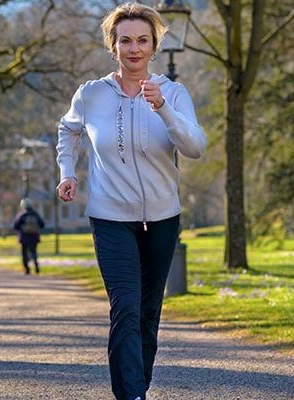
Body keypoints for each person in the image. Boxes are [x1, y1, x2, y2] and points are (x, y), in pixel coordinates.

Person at [55, 3, 206, 400]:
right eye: (126, 40)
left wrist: (164, 109)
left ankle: (137, 385)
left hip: (162, 217)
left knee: (147, 312)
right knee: (125, 307)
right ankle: (132, 396)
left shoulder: (173, 92)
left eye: (142, 40)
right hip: (110, 217)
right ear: (113, 45)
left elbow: (195, 148)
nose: (134, 48)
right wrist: (67, 172)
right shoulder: (90, 95)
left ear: (154, 46)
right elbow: (66, 130)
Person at [13, 198, 44, 275]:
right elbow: (42, 224)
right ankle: (36, 265)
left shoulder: (21, 214)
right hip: (34, 237)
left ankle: (27, 269)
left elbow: (16, 226)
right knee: (33, 252)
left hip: (24, 237)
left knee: (24, 253)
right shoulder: (35, 214)